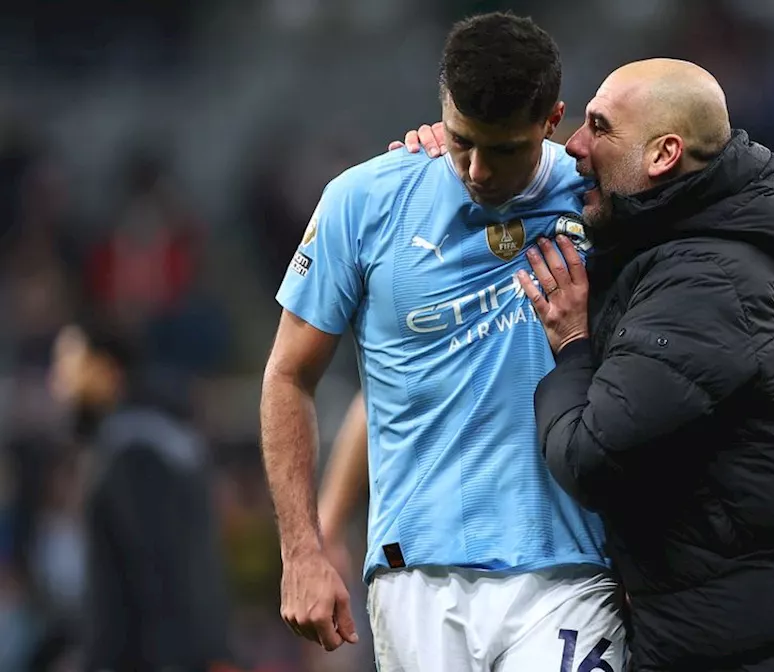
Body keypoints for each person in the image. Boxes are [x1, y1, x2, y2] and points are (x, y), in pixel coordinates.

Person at [401, 57, 774, 672]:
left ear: (662, 156)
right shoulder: (658, 249)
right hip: (744, 637)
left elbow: (590, 454)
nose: (574, 144)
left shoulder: (708, 279)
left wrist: (573, 346)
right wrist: (460, 152)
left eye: (599, 128)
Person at [258, 11, 624, 671]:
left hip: (573, 572)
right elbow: (290, 375)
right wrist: (303, 549)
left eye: (503, 149)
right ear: (441, 107)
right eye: (461, 140)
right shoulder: (363, 202)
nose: (478, 170)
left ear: (552, 121)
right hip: (415, 575)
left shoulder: (602, 202)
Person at [47, 320, 233, 672]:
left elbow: (154, 582)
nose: (58, 382)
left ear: (106, 370)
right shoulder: (162, 435)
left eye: (68, 364)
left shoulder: (133, 452)